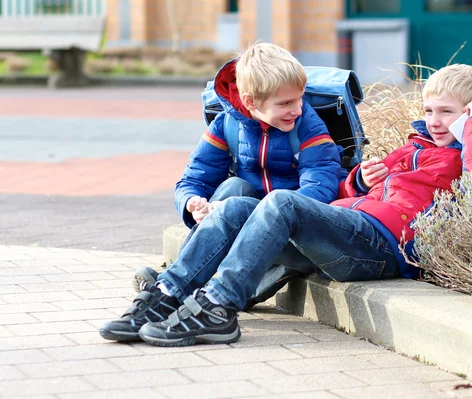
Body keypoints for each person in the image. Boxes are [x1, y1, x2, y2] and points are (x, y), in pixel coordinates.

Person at [100, 63, 472, 347]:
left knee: (282, 202)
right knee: (233, 207)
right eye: (429, 110)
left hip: (383, 250)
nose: (434, 121)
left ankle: (219, 307)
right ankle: (166, 293)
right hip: (348, 231)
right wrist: (358, 179)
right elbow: (339, 191)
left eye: (447, 113)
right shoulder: (415, 147)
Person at [100, 42, 342, 341]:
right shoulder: (227, 123)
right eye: (284, 103)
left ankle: (176, 287)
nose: (298, 109)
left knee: (235, 198)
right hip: (242, 249)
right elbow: (192, 181)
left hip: (292, 238)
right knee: (233, 187)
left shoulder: (308, 126)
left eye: (299, 98)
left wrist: (233, 211)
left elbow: (319, 190)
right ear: (251, 101)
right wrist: (193, 204)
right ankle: (165, 295)